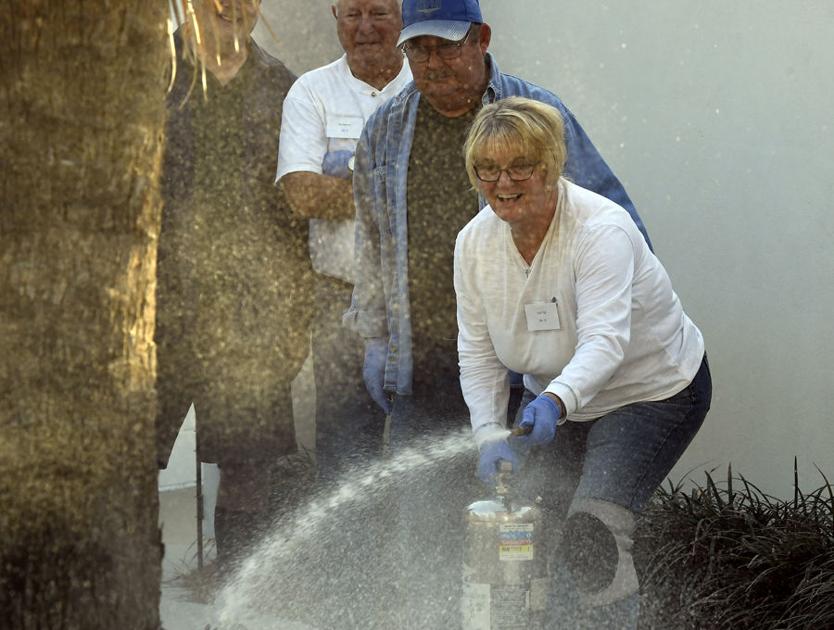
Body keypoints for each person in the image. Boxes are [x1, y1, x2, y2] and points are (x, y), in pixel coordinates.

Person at [344, 0, 652, 626]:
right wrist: (373, 329)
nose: (432, 64)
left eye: (447, 46)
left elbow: (616, 222)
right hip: (425, 366)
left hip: (529, 381)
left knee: (529, 543)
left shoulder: (539, 116)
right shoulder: (382, 129)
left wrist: (593, 348)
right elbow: (372, 241)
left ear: (482, 38)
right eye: (418, 50)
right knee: (420, 534)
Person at [455, 97, 711, 628]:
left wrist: (554, 400)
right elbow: (477, 353)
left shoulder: (600, 230)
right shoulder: (473, 244)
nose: (504, 182)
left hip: (647, 392)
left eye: (521, 166)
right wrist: (487, 433)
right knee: (523, 530)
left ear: (550, 167)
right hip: (553, 394)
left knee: (591, 536)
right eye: (489, 169)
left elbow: (605, 342)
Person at [155, 0, 313, 568]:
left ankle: (236, 604)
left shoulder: (284, 89)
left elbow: (298, 218)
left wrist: (296, 322)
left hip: (253, 322)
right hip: (153, 318)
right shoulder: (147, 73)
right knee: (122, 465)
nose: (231, 5)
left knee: (248, 472)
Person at [276, 0, 411, 482]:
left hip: (423, 297)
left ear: (404, 12)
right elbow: (302, 195)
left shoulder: (428, 83)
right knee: (345, 446)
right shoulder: (310, 91)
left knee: (427, 436)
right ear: (335, 14)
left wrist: (349, 177)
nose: (366, 28)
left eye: (379, 12)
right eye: (353, 14)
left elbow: (451, 188)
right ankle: (349, 554)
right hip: (339, 299)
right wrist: (398, 182)